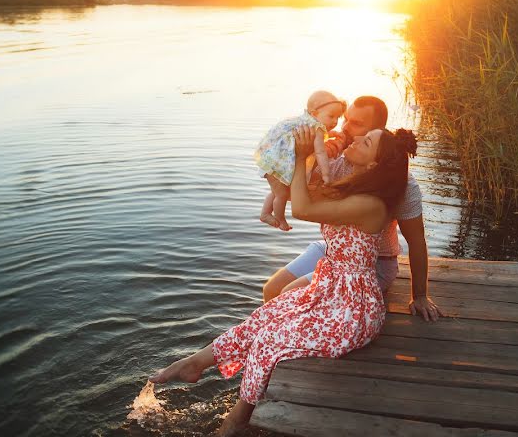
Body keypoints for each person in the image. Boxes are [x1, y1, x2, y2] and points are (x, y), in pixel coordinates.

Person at [149, 125, 418, 436]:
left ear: (373, 164)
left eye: (366, 141)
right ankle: (195, 363)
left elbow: (302, 208)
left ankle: (239, 416)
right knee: (263, 317)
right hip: (328, 289)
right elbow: (293, 189)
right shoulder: (352, 186)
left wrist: (305, 154)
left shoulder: (371, 204)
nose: (356, 138)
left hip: (351, 309)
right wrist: (297, 152)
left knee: (270, 339)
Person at [262, 95, 443, 322]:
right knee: (271, 290)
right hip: (333, 251)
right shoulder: (336, 159)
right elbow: (293, 194)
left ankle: (280, 342)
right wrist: (310, 154)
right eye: (346, 119)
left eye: (357, 124)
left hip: (372, 263)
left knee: (287, 296)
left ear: (379, 132)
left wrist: (420, 295)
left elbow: (416, 241)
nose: (346, 127)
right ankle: (269, 338)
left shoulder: (403, 185)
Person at [255, 90, 346, 231]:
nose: (335, 122)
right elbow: (320, 152)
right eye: (331, 116)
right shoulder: (317, 128)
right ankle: (280, 219)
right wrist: (326, 175)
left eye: (338, 118)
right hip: (277, 165)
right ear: (315, 113)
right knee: (282, 194)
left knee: (276, 192)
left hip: (272, 162)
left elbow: (318, 139)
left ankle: (265, 213)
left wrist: (330, 134)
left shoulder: (303, 121)